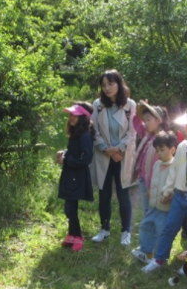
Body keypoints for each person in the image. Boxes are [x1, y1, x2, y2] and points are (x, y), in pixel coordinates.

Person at [142, 107, 187, 273]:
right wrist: (168, 190)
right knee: (169, 228)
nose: (183, 129)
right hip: (179, 196)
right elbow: (174, 171)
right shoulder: (182, 146)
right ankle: (159, 259)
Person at [91, 69, 137, 246]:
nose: (107, 88)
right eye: (104, 85)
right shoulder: (98, 104)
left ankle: (126, 231)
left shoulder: (129, 105)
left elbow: (133, 132)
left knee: (123, 192)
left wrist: (118, 149)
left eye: (111, 84)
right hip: (104, 154)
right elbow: (93, 130)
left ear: (119, 83)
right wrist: (106, 149)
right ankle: (104, 229)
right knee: (104, 193)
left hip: (122, 156)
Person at [132, 131, 178, 264]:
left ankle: (159, 256)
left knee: (161, 232)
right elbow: (153, 178)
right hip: (153, 205)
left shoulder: (175, 166)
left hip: (165, 209)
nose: (159, 153)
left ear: (172, 149)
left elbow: (175, 185)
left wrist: (170, 196)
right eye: (157, 150)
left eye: (162, 150)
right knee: (146, 226)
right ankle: (147, 251)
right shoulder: (157, 164)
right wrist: (149, 189)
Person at [57, 103, 95, 252]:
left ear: (83, 118)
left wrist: (67, 160)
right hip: (70, 175)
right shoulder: (76, 134)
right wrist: (65, 153)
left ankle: (78, 236)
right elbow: (75, 152)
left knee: (69, 208)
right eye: (71, 115)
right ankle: (71, 235)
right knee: (70, 206)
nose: (71, 118)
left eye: (75, 115)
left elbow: (86, 158)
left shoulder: (85, 136)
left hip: (76, 177)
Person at [133, 101, 169, 214]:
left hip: (153, 184)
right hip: (143, 180)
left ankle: (152, 230)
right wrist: (137, 110)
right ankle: (149, 229)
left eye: (148, 120)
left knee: (153, 210)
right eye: (145, 120)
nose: (145, 123)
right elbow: (136, 123)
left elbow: (157, 167)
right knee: (147, 209)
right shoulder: (147, 135)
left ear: (158, 120)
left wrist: (150, 186)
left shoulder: (162, 141)